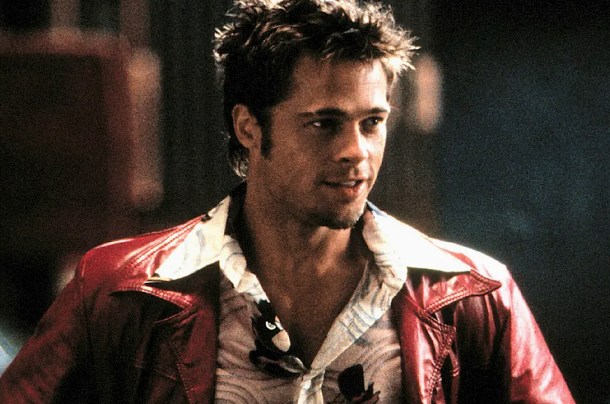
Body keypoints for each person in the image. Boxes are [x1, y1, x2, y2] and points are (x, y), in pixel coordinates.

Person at [0, 0, 574, 402]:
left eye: (372, 123)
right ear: (249, 127)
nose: (356, 152)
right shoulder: (119, 294)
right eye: (324, 123)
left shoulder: (472, 296)